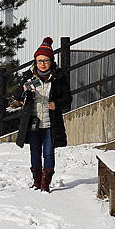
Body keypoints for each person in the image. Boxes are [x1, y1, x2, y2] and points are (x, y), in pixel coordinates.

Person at [15, 37, 71, 192]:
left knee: (48, 153)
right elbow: (17, 95)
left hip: (50, 123)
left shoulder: (59, 78)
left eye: (45, 60)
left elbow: (68, 99)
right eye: (39, 60)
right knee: (34, 152)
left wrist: (56, 104)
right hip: (33, 122)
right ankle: (36, 180)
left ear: (51, 61)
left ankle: (45, 183)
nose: (42, 64)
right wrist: (25, 91)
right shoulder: (28, 76)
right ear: (35, 61)